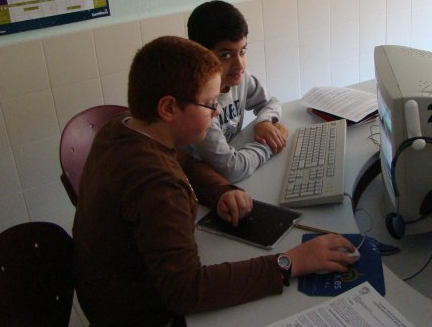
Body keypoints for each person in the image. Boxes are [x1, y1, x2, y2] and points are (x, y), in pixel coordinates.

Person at [72, 36, 358, 327]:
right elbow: (188, 291)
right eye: (209, 103)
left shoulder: (122, 126)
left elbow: (182, 160)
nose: (217, 111)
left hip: (102, 294)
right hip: (139, 315)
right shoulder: (158, 187)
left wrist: (220, 190)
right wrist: (292, 261)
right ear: (168, 108)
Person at [186, 0, 289, 182]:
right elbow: (231, 169)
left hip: (236, 168)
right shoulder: (200, 104)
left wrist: (264, 122)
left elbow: (271, 102)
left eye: (242, 51)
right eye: (226, 55)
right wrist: (268, 146)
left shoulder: (240, 78)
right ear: (200, 54)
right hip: (206, 186)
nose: (239, 64)